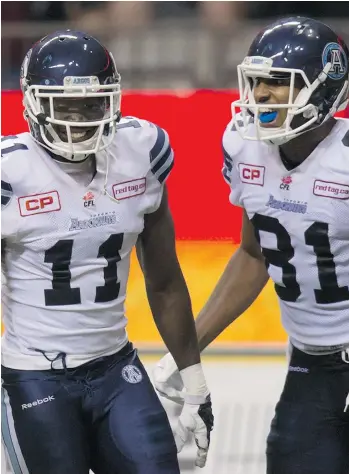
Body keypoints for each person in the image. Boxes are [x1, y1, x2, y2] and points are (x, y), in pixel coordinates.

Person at [1, 30, 213, 474]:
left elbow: (165, 280)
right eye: (65, 104)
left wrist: (195, 381)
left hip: (116, 367)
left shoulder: (142, 151)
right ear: (34, 104)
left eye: (92, 103)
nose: (79, 118)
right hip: (35, 375)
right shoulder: (10, 174)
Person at [153, 17, 349, 474]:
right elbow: (254, 253)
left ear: (322, 89)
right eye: (256, 80)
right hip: (313, 360)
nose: (259, 94)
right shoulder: (243, 147)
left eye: (277, 83)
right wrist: (184, 352)